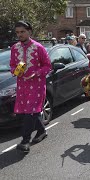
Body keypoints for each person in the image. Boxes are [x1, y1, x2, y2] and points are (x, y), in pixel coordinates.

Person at [10, 21, 52, 153]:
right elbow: (12, 65)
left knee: (30, 112)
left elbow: (47, 66)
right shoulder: (14, 48)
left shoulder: (39, 47)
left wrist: (36, 73)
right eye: (17, 32)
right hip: (22, 85)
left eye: (22, 31)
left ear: (29, 32)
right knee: (29, 111)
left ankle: (25, 141)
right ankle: (41, 131)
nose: (19, 34)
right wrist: (15, 71)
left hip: (37, 85)